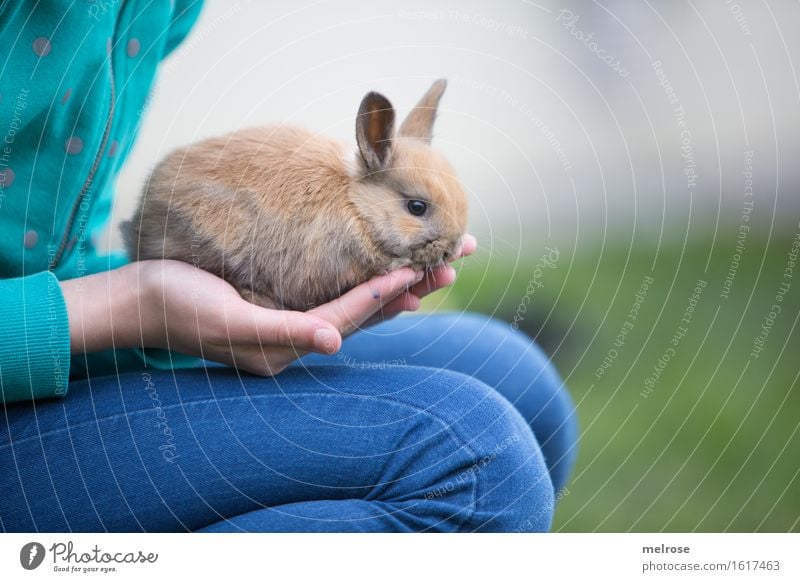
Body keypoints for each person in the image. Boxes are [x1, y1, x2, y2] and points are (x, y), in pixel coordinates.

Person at [0, 1, 577, 532]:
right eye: (416, 211)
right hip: (33, 369)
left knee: (515, 374)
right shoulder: (345, 222)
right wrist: (134, 306)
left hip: (79, 334)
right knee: (480, 461)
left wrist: (125, 299)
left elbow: (59, 227)